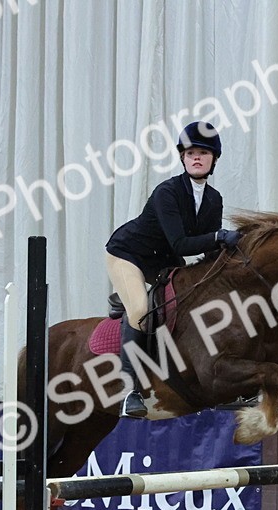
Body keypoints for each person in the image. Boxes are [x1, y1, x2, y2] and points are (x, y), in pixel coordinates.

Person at [104, 121, 242, 418]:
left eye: (203, 153)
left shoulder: (213, 199)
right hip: (129, 255)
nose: (196, 157)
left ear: (213, 159)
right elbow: (181, 243)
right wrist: (219, 236)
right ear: (182, 157)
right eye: (190, 152)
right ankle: (129, 392)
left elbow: (207, 252)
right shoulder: (167, 192)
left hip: (164, 261)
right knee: (141, 309)